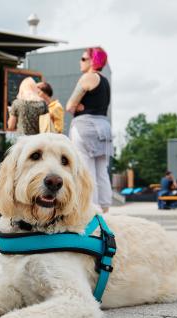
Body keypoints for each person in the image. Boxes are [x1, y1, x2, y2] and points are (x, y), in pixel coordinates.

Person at [65, 47, 112, 212]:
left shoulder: (88, 77)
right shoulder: (105, 81)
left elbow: (69, 105)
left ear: (93, 61)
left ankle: (91, 210)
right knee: (102, 171)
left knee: (86, 170)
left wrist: (77, 106)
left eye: (83, 58)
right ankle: (105, 209)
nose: (80, 61)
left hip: (85, 127)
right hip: (103, 127)